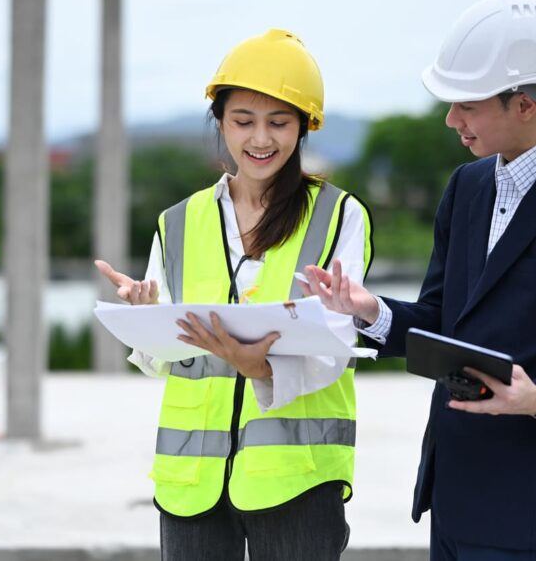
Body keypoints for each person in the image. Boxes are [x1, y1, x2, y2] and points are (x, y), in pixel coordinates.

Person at [302, 0, 536, 560]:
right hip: (453, 489)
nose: (450, 120)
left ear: (525, 104)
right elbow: (442, 319)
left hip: (524, 500)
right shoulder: (466, 189)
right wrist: (371, 311)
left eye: (467, 104)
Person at [95, 29, 374, 561]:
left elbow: (338, 342)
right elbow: (165, 363)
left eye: (279, 122)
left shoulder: (339, 214)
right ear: (220, 122)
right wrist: (146, 318)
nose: (260, 139)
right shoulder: (178, 222)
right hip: (192, 484)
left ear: (304, 127)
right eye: (243, 121)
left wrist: (264, 370)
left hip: (296, 479)